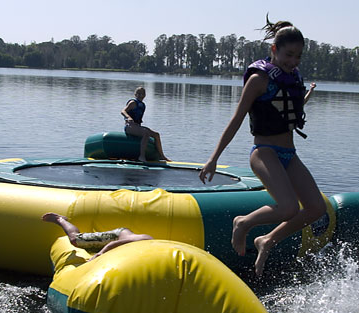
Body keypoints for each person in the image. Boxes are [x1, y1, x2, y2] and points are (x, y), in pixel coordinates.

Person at [199, 16, 326, 277]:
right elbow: (235, 120)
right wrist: (213, 159)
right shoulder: (259, 79)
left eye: (299, 57)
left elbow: (288, 108)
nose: (293, 62)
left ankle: (267, 240)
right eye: (289, 55)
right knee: (289, 207)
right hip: (264, 152)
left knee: (316, 208)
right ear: (274, 50)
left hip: (289, 155)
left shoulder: (292, 78)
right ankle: (243, 223)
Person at [42, 212, 153, 261]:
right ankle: (59, 219)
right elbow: (114, 243)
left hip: (120, 243)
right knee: (75, 239)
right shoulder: (147, 241)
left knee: (85, 247)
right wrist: (100, 254)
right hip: (116, 237)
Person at [121, 87, 171, 162]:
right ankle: (141, 156)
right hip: (129, 127)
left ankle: (161, 156)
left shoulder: (142, 105)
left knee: (156, 135)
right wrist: (128, 117)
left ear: (145, 95)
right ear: (135, 94)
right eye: (139, 94)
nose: (141, 95)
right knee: (146, 133)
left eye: (142, 94)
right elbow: (123, 111)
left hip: (137, 127)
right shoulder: (133, 103)